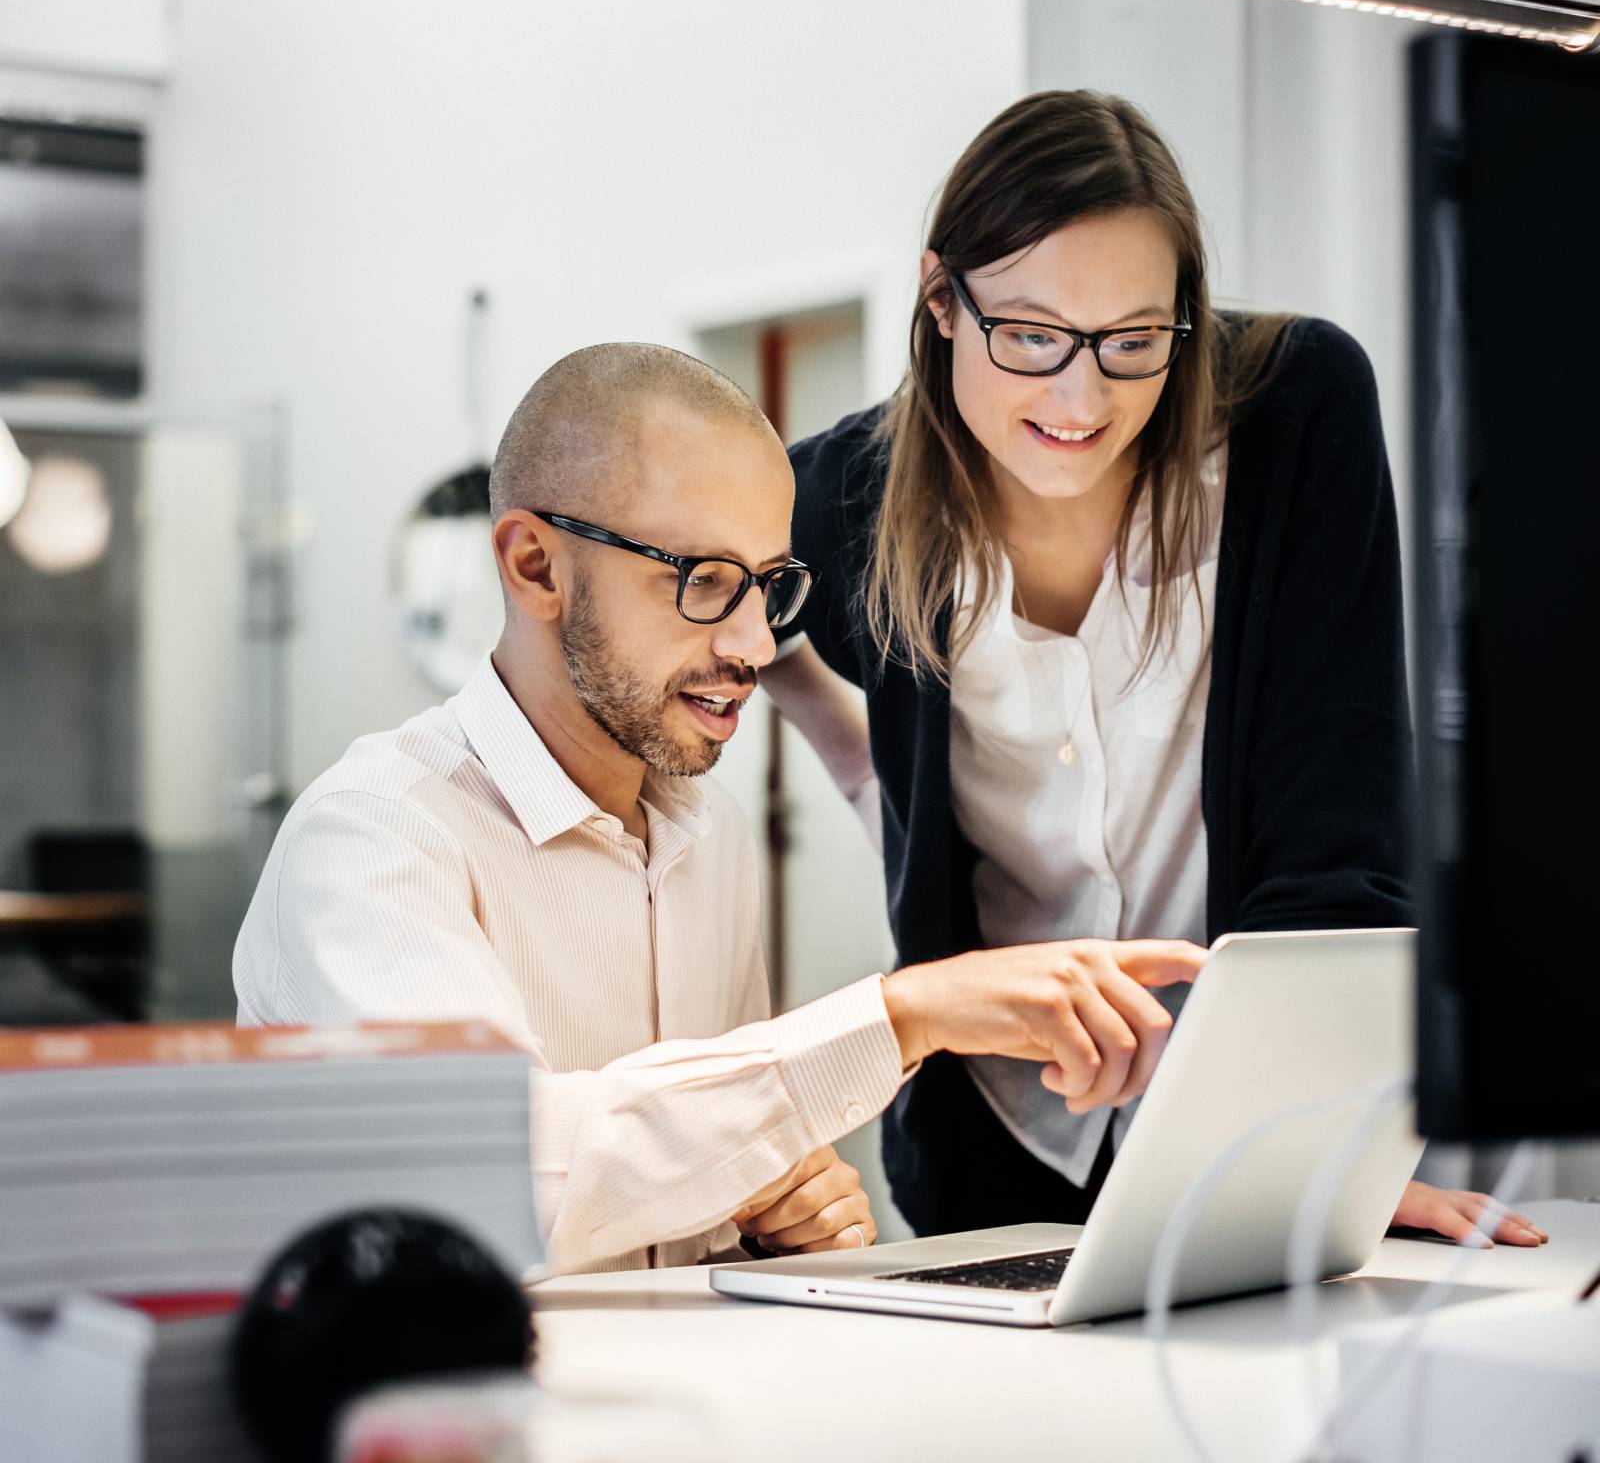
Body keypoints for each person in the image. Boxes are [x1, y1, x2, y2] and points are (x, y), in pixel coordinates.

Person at [232, 341, 1208, 1276]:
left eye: (769, 585)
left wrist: (770, 1215)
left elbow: (684, 1183)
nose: (752, 643)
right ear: (534, 566)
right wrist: (901, 1015)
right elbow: (494, 1189)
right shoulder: (372, 837)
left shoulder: (712, 839)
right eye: (702, 581)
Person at [764, 90, 1547, 1251]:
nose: (1083, 401)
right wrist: (871, 778)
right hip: (992, 1136)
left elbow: (1335, 834)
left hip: (1243, 1124)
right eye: (1030, 336)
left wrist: (1320, 1153)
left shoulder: (1292, 414)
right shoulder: (842, 494)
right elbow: (720, 617)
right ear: (941, 298)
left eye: (1134, 341)